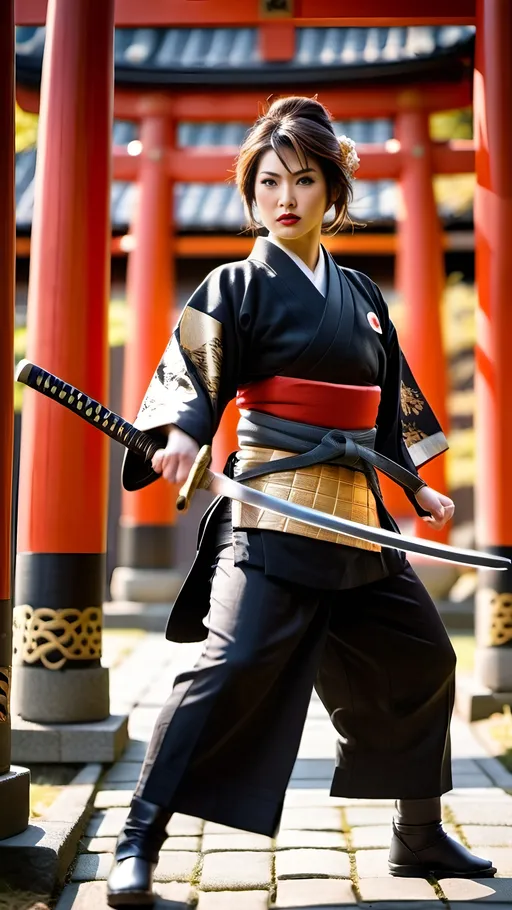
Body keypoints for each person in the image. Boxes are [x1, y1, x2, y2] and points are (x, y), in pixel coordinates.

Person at [107, 96, 495, 907]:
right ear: (250, 193)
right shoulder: (233, 287)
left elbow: (387, 400)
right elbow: (190, 383)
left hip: (356, 519)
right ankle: (137, 840)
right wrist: (178, 434)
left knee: (425, 658)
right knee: (231, 663)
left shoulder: (358, 294)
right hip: (272, 516)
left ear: (332, 195)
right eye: (270, 182)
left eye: (304, 181)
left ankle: (417, 836)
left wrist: (413, 481)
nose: (285, 198)